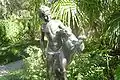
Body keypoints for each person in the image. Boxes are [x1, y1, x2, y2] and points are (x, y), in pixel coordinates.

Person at [39, 5, 85, 80]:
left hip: (60, 49)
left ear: (50, 14)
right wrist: (43, 50)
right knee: (50, 71)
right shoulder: (43, 27)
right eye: (44, 16)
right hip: (50, 51)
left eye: (47, 15)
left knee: (63, 70)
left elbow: (67, 31)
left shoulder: (57, 22)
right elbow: (41, 40)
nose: (46, 17)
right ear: (41, 17)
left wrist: (66, 31)